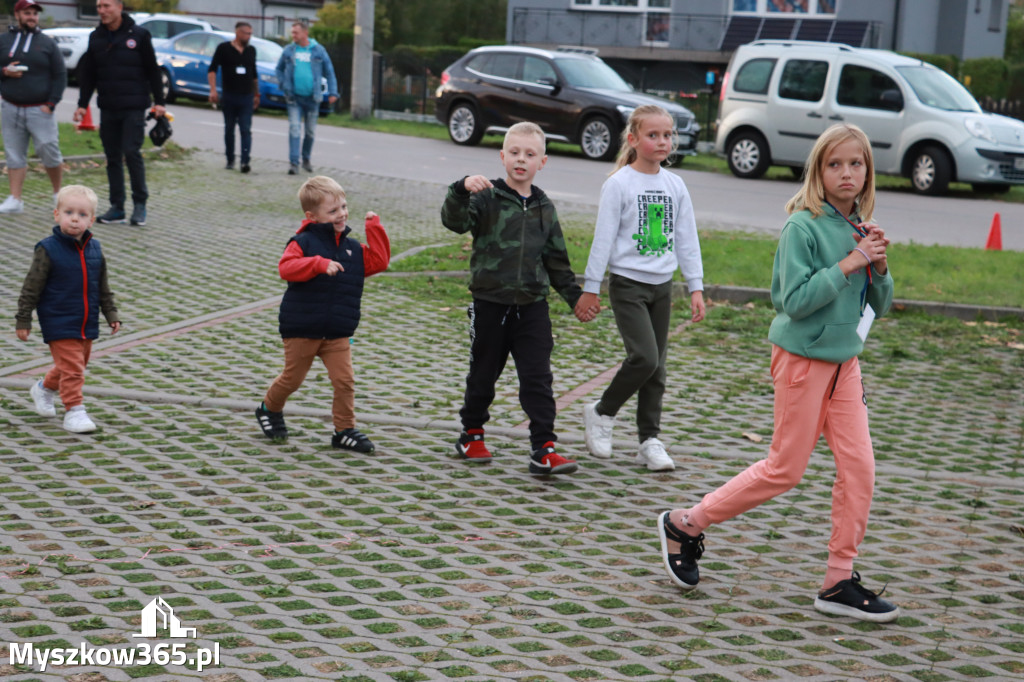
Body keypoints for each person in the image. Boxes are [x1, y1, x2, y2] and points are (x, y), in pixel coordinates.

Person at [657, 123, 898, 623]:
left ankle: (837, 581)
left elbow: (883, 304)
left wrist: (877, 263)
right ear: (818, 170)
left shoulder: (860, 228)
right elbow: (793, 301)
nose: (846, 173)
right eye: (835, 164)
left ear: (868, 171)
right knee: (785, 469)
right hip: (802, 362)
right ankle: (685, 524)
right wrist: (851, 263)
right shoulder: (802, 227)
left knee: (860, 470)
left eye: (856, 164)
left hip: (844, 365)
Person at [441, 121, 593, 476]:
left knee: (538, 378)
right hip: (490, 304)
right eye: (514, 153)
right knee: (484, 373)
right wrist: (460, 189)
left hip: (532, 308)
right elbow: (455, 222)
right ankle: (472, 434)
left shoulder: (544, 207)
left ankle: (544, 448)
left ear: (542, 161)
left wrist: (576, 298)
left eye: (529, 154)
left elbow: (557, 262)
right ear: (502, 156)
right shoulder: (486, 197)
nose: (520, 160)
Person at [577, 104, 706, 472]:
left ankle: (649, 440)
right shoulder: (619, 184)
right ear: (633, 140)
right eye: (654, 135)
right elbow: (602, 240)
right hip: (628, 285)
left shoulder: (675, 184)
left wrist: (695, 286)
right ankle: (602, 412)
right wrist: (591, 287)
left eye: (668, 135)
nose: (663, 141)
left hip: (662, 287)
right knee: (645, 358)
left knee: (658, 368)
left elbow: (687, 239)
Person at [256, 176, 390, 452]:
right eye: (333, 211)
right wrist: (317, 264)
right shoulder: (302, 242)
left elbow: (379, 262)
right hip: (302, 327)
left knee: (344, 381)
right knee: (292, 378)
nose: (341, 214)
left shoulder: (352, 248)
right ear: (312, 216)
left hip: (337, 330)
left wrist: (373, 227)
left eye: (343, 207)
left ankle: (344, 430)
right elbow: (286, 268)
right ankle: (269, 409)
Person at [16, 185, 121, 434]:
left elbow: (102, 286)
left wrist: (111, 314)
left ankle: (43, 388)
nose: (75, 218)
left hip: (86, 321)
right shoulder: (47, 249)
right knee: (73, 369)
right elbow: (31, 286)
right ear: (57, 214)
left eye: (82, 214)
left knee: (72, 365)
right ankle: (74, 411)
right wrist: (23, 319)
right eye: (69, 212)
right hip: (58, 320)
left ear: (92, 219)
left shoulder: (95, 249)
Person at [73, 0, 165, 227]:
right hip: (108, 105)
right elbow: (89, 74)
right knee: (112, 157)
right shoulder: (96, 37)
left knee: (131, 152)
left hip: (134, 106)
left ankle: (140, 204)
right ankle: (117, 207)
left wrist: (160, 102)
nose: (101, 11)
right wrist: (82, 104)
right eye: (98, 6)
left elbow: (153, 70)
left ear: (119, 7)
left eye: (106, 6)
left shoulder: (140, 35)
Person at [0, 0, 66, 214]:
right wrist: (4, 72)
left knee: (49, 150)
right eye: (27, 13)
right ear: (17, 14)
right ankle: (15, 199)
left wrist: (52, 103)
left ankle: (58, 194)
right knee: (14, 154)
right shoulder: (4, 40)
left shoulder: (47, 43)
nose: (32, 17)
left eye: (35, 14)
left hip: (40, 109)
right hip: (10, 106)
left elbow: (60, 75)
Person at [275, 21, 338, 175]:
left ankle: (306, 159)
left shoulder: (318, 50)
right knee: (295, 129)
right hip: (294, 98)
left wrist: (332, 92)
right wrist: (284, 84)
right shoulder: (289, 50)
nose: (293, 35)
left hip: (313, 98)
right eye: (292, 32)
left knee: (310, 132)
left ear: (305, 33)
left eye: (296, 32)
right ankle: (294, 163)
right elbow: (279, 69)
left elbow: (329, 72)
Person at [208, 22, 259, 173]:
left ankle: (245, 161)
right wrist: (213, 90)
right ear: (238, 33)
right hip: (229, 95)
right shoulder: (223, 48)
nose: (249, 36)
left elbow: (254, 73)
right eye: (246, 33)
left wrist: (256, 94)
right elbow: (212, 70)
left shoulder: (251, 50)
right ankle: (230, 159)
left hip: (246, 96)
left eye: (250, 33)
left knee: (245, 129)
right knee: (229, 128)